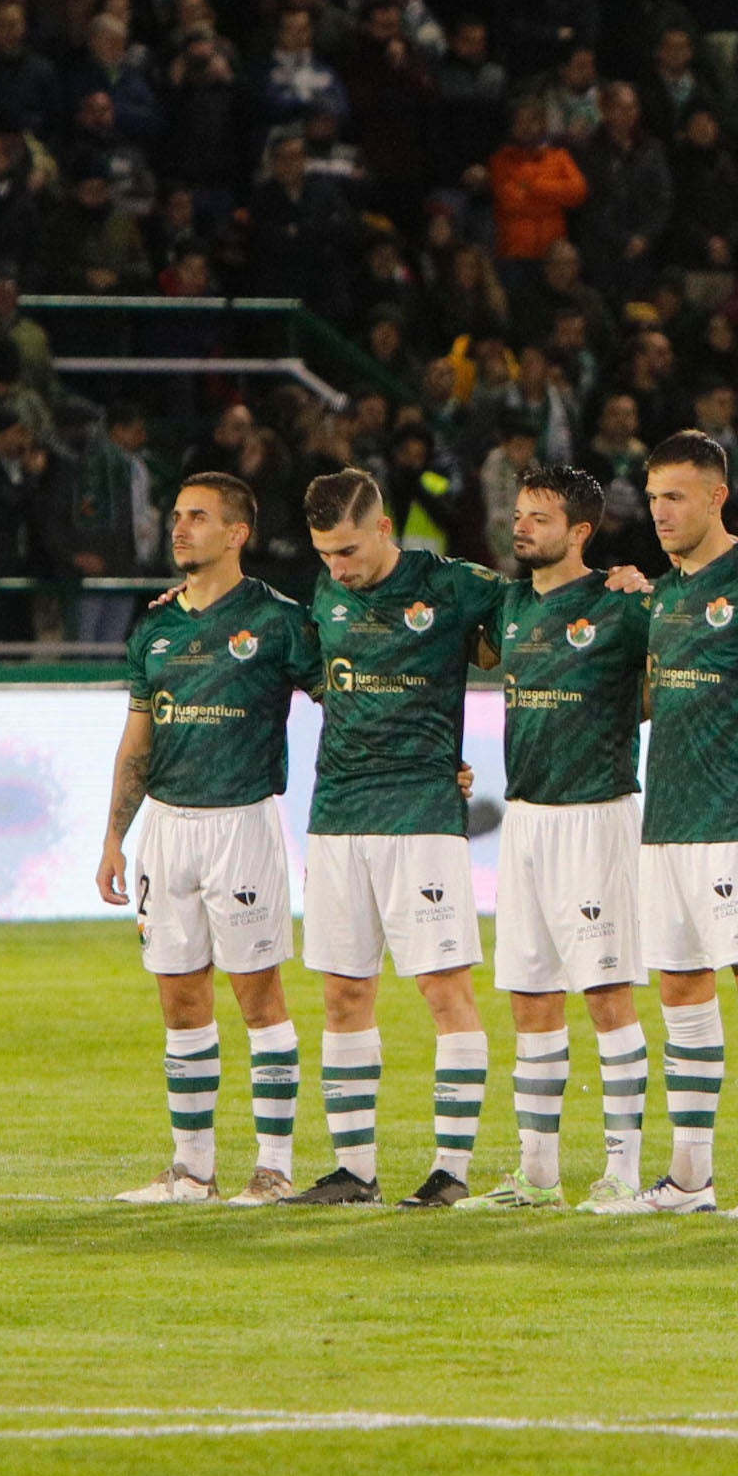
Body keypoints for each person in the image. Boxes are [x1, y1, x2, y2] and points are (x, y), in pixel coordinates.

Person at [590, 432, 738, 1217]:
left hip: (737, 816)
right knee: (682, 990)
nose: (659, 512)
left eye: (675, 496)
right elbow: (653, 696)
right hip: (667, 819)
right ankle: (689, 1177)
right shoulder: (663, 595)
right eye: (652, 498)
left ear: (718, 497)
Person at [285, 468, 510, 1209]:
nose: (337, 569)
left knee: (444, 991)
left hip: (421, 816)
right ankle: (354, 1170)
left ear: (385, 529)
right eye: (324, 555)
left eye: (347, 550)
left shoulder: (453, 585)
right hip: (339, 815)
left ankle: (451, 1169)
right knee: (344, 994)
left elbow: (539, 614)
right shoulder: (325, 594)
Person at [96, 472, 322, 1206]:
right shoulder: (155, 628)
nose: (180, 527)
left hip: (242, 821)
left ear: (237, 534)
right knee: (180, 997)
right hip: (166, 825)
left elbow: (343, 700)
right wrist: (113, 840)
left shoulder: (280, 621)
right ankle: (192, 1170)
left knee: (260, 997)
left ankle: (274, 1167)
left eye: (198, 516)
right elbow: (137, 742)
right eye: (176, 514)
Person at [454, 464, 655, 1213]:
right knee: (532, 996)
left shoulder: (621, 602)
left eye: (539, 517)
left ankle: (623, 1173)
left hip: (595, 812)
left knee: (606, 995)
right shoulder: (505, 605)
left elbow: (677, 672)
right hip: (528, 817)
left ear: (580, 532)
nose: (521, 525)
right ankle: (536, 1174)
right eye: (519, 511)